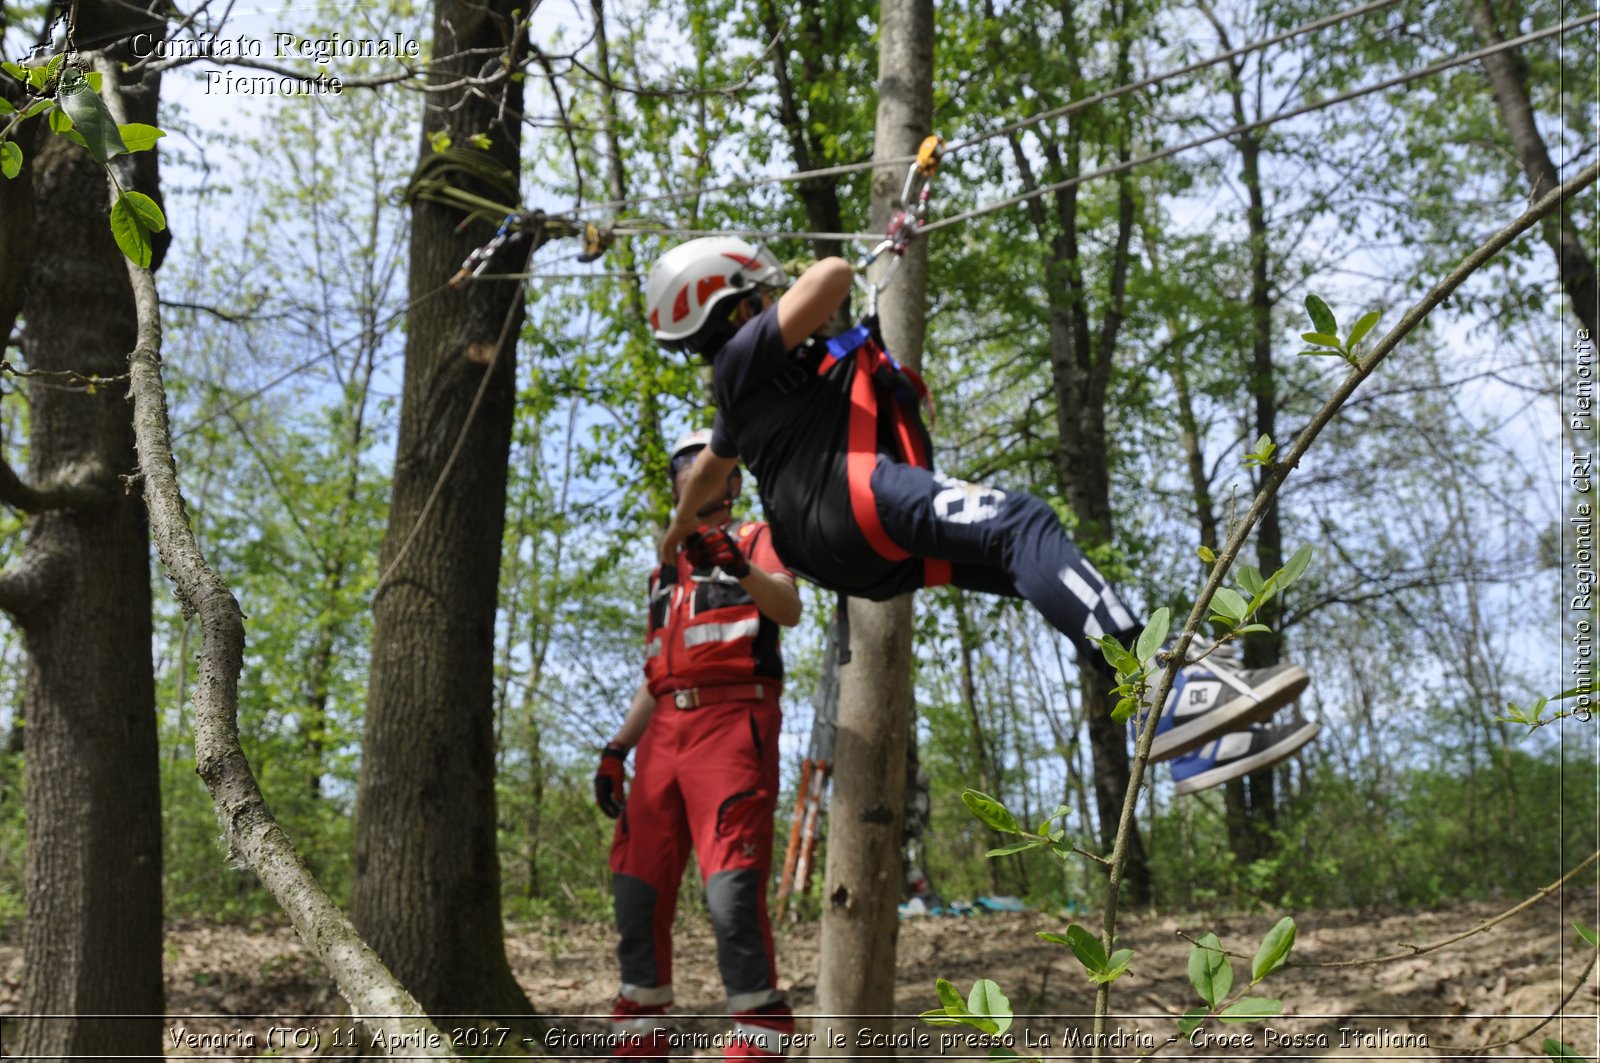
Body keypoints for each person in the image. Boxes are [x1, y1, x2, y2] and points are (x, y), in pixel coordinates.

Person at [643, 237, 1318, 790]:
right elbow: (833, 274)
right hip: (855, 503)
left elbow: (709, 472)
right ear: (736, 308)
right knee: (1023, 523)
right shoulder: (743, 353)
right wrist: (826, 265)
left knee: (1017, 557)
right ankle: (1159, 686)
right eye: (764, 294)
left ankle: (1191, 741)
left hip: (841, 551)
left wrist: (679, 529)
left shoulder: (739, 395)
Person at [595, 429, 801, 1061]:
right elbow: (658, 674)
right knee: (635, 886)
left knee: (731, 891)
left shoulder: (755, 537)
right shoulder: (664, 566)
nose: (695, 473)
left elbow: (788, 607)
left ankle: (759, 1036)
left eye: (705, 464)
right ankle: (640, 1033)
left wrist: (739, 565)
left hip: (733, 724)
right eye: (684, 465)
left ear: (731, 479)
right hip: (663, 735)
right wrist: (617, 748)